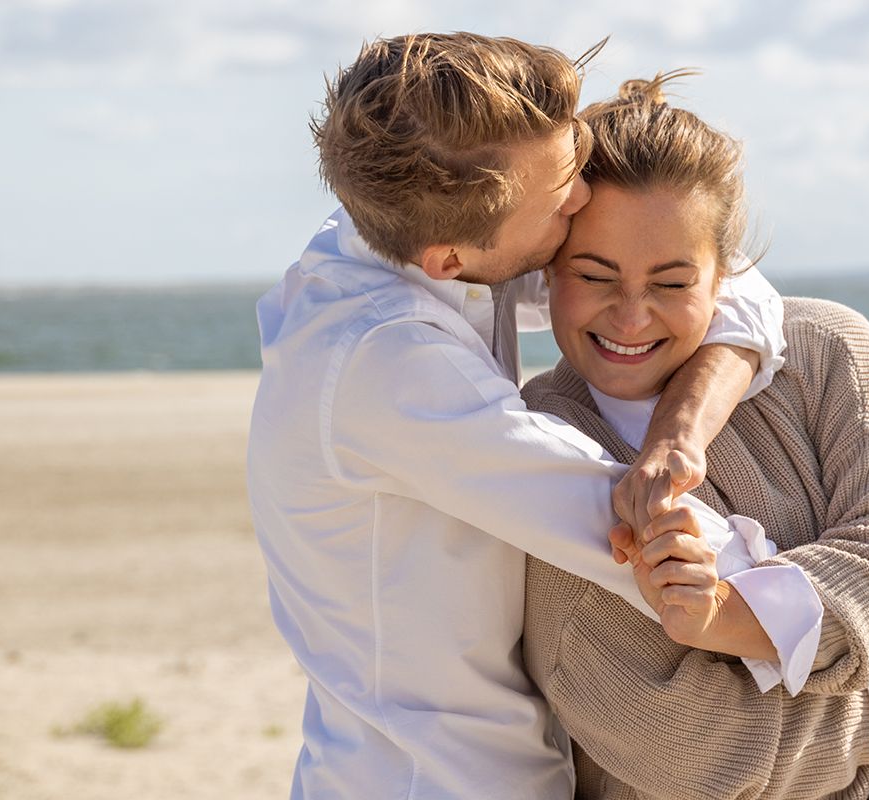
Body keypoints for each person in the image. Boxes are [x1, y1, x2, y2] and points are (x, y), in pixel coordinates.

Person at [248, 33, 811, 800]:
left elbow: (733, 286)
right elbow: (624, 523)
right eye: (562, 197)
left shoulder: (413, 240)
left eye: (574, 152)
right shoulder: (388, 361)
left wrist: (681, 425)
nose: (583, 198)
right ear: (449, 258)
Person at [520, 74, 869, 799]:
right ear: (548, 273)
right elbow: (683, 745)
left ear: (726, 278)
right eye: (595, 275)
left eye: (673, 282)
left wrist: (730, 619)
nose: (630, 316)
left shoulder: (826, 349)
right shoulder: (536, 447)